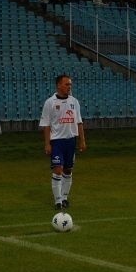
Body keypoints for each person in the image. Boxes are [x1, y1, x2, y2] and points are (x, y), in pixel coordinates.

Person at [39, 74, 87, 210]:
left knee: (68, 170)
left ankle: (65, 198)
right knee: (58, 170)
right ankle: (58, 201)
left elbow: (79, 122)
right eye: (67, 84)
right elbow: (46, 125)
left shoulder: (74, 102)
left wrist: (82, 140)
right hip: (57, 142)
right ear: (59, 85)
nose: (69, 87)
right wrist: (47, 143)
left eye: (70, 84)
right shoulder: (50, 102)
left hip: (71, 141)